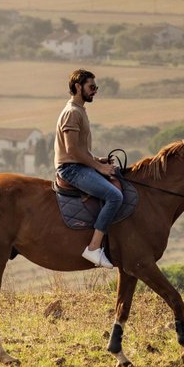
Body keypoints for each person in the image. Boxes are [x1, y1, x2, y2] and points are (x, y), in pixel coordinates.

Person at [55, 69, 122, 269]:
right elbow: (72, 151)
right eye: (91, 87)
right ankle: (93, 248)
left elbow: (81, 150)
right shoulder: (72, 113)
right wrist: (99, 168)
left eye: (96, 88)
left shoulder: (80, 110)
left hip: (79, 165)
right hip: (71, 169)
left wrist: (97, 159)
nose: (95, 91)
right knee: (114, 196)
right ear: (78, 86)